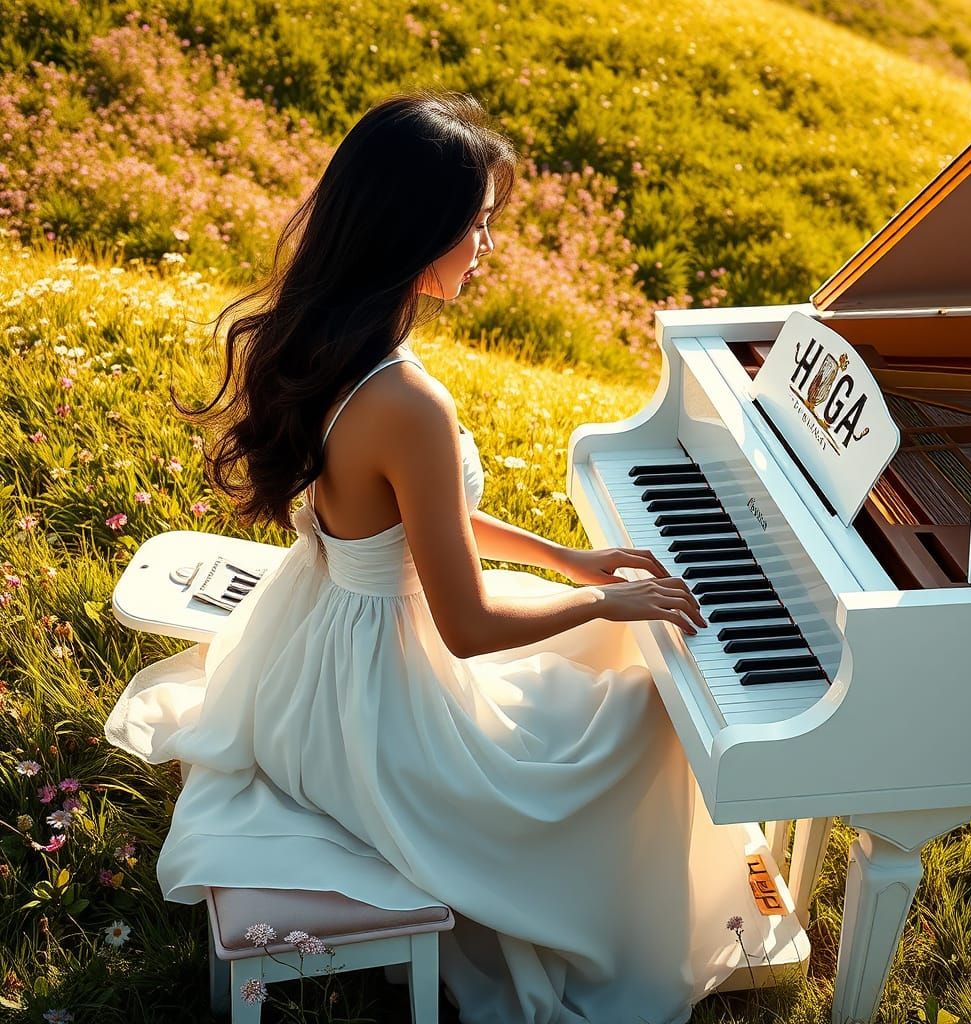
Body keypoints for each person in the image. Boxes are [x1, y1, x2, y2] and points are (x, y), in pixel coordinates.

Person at [104, 91, 793, 1024]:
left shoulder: (327, 339)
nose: (487, 246)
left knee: (616, 658)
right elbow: (466, 630)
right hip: (381, 720)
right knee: (648, 710)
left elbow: (415, 525)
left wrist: (567, 560)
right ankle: (657, 933)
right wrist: (602, 606)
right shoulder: (408, 402)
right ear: (419, 231)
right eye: (478, 224)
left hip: (324, 660)